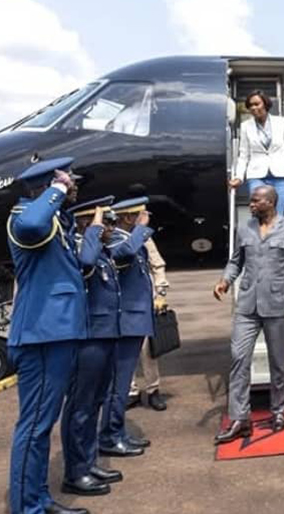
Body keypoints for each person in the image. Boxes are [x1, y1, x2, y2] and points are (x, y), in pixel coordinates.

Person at [6, 157, 91, 514]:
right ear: (45, 186)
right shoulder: (24, 217)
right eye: (69, 183)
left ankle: (37, 499)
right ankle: (28, 507)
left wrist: (60, 199)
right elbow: (33, 222)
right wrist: (57, 189)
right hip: (41, 336)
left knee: (43, 424)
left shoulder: (53, 220)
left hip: (54, 333)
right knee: (35, 425)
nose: (73, 188)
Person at [213, 185, 284, 443]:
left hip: (278, 304)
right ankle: (240, 418)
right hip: (247, 305)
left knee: (278, 362)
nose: (252, 204)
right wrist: (225, 281)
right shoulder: (244, 228)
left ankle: (279, 411)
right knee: (238, 358)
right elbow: (236, 260)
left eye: (256, 201)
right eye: (251, 201)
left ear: (270, 202)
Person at [61, 199, 124, 497]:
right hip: (88, 338)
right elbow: (85, 263)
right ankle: (75, 472)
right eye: (104, 222)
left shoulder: (101, 250)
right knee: (80, 406)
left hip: (105, 334)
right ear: (88, 224)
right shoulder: (79, 247)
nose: (111, 227)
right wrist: (94, 230)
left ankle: (88, 462)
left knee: (95, 401)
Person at [98, 197, 154, 458]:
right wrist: (141, 229)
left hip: (135, 319)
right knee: (117, 385)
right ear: (129, 218)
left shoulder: (128, 238)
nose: (145, 218)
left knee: (120, 384)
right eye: (140, 215)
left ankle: (117, 432)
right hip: (126, 322)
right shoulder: (117, 239)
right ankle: (110, 436)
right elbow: (125, 254)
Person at [228, 90, 284, 216]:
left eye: (257, 104)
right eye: (250, 105)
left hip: (279, 175)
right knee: (259, 212)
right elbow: (243, 155)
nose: (253, 108)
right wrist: (239, 177)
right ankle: (259, 235)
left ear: (265, 104)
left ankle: (276, 236)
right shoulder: (245, 126)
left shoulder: (281, 122)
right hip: (256, 176)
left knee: (278, 214)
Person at [128, 237, 170, 411]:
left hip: (144, 299)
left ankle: (153, 389)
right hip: (119, 300)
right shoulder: (109, 235)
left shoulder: (143, 237)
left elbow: (157, 264)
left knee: (148, 350)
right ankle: (130, 391)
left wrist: (161, 293)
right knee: (123, 352)